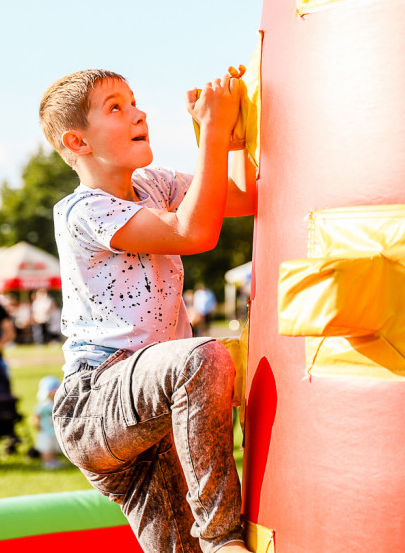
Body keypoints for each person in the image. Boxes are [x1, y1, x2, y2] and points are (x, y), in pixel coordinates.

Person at [39, 67, 256, 552]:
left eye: (134, 101)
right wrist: (214, 133)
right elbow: (192, 233)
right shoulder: (82, 210)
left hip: (153, 410)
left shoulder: (154, 184)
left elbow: (242, 198)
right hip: (98, 401)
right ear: (77, 142)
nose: (139, 112)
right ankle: (223, 539)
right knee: (204, 358)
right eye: (115, 107)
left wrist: (232, 135)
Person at [31, 375, 64, 469]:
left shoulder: (59, 404)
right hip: (45, 430)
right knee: (47, 447)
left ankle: (54, 460)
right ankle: (47, 462)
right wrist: (37, 425)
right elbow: (36, 416)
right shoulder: (44, 405)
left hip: (55, 430)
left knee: (55, 446)